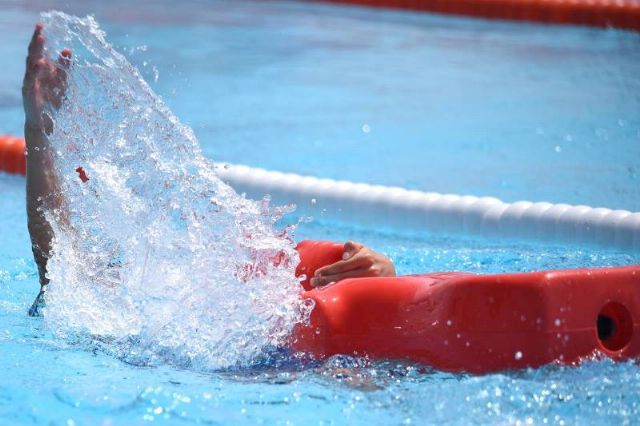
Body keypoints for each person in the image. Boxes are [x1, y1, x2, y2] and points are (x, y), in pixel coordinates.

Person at [22, 23, 396, 315]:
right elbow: (59, 268)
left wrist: (382, 274)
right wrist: (39, 132)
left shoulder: (235, 288)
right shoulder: (137, 302)